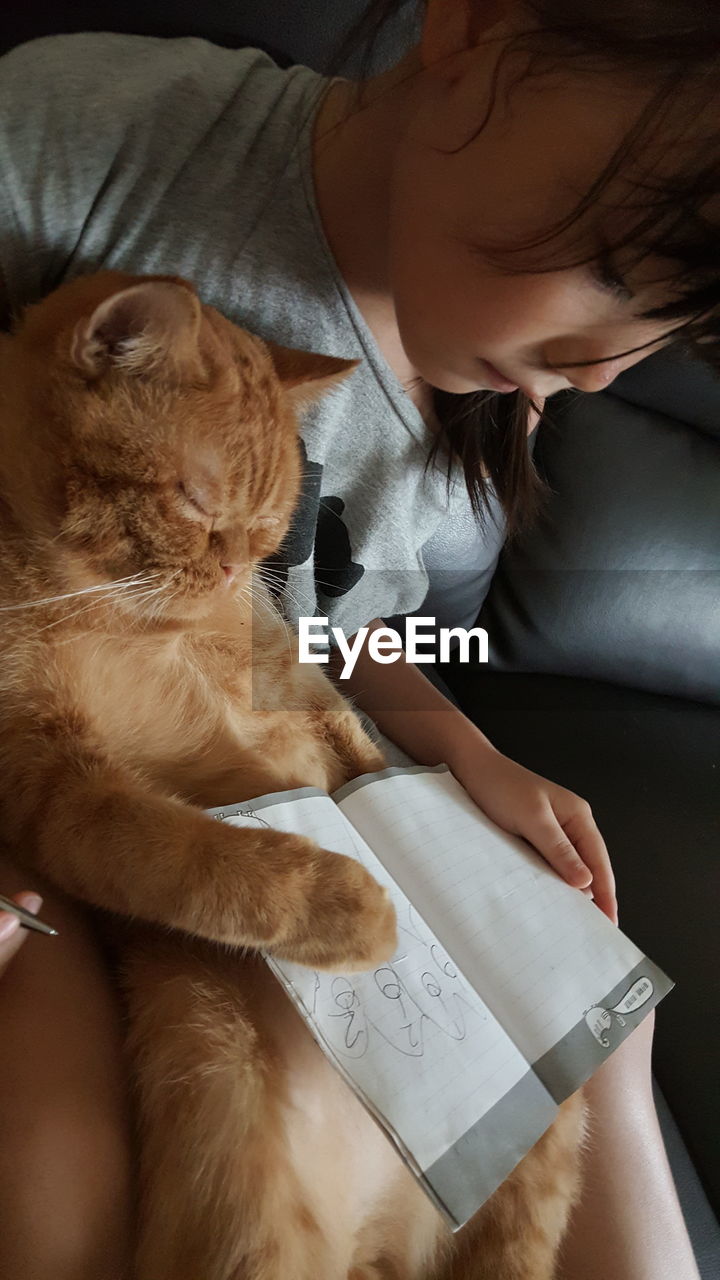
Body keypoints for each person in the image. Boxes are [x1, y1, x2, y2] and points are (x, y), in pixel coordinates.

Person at [0, 1, 714, 1275]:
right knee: (99, 1086)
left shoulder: (493, 400)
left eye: (664, 339)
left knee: (598, 1022)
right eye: (620, 267)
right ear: (478, 28)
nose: (606, 373)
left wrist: (467, 750)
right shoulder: (107, 136)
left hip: (293, 748)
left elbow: (340, 624)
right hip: (65, 733)